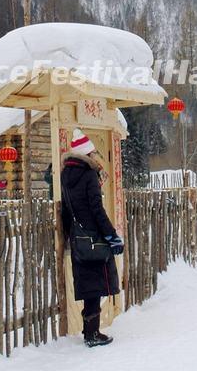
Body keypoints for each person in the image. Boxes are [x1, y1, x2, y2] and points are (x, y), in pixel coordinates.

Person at [61, 129, 123, 347]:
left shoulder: (65, 175)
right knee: (96, 283)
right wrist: (112, 236)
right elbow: (97, 210)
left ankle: (90, 331)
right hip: (94, 236)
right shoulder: (88, 175)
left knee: (87, 283)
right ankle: (92, 334)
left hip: (78, 237)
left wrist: (68, 235)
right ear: (87, 154)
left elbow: (66, 211)